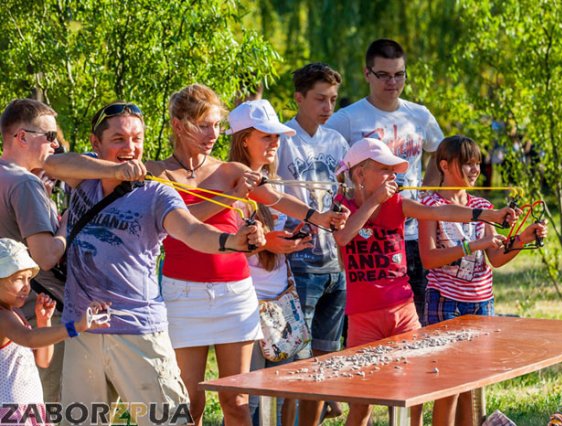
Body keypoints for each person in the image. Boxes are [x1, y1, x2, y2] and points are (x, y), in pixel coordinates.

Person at [44, 100, 265, 426]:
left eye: (137, 139)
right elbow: (52, 163)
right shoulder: (85, 178)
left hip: (138, 331)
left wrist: (231, 242)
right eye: (118, 139)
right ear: (96, 143)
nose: (130, 148)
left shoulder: (156, 193)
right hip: (84, 329)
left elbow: (191, 230)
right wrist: (114, 170)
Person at [143, 87, 346, 426]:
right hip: (182, 294)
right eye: (203, 126)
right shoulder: (158, 174)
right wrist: (229, 193)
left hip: (233, 294)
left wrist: (319, 218)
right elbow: (185, 227)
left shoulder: (230, 170)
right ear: (177, 125)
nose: (213, 135)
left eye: (217, 126)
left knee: (236, 401)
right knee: (188, 402)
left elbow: (276, 198)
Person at [332, 138, 516, 426]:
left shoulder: (399, 203)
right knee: (361, 406)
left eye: (395, 171)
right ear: (359, 174)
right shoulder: (340, 206)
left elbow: (440, 211)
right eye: (385, 170)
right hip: (362, 316)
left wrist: (487, 214)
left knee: (412, 397)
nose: (393, 177)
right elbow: (343, 237)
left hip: (403, 312)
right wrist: (374, 201)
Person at [418, 135, 547, 426]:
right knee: (447, 386)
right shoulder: (429, 204)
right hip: (445, 303)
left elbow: (496, 258)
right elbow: (429, 258)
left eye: (477, 163)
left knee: (472, 385)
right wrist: (471, 246)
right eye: (467, 163)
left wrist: (524, 237)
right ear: (445, 165)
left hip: (481, 302)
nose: (475, 170)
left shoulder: (483, 205)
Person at [326, 38, 444, 326]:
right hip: (369, 241)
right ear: (367, 74)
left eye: (399, 74)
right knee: (368, 325)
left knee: (415, 322)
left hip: (413, 235)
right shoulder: (348, 118)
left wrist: (427, 196)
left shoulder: (419, 115)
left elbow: (442, 155)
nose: (392, 82)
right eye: (383, 75)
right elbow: (331, 166)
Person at [228, 104, 314, 426]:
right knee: (246, 403)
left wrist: (288, 242)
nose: (275, 142)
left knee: (278, 395)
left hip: (279, 300)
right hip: (246, 304)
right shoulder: (227, 181)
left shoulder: (272, 182)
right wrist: (268, 243)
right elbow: (221, 245)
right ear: (243, 139)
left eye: (277, 136)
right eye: (267, 136)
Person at [276, 63, 349, 424]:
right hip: (300, 261)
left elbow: (346, 192)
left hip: (335, 261)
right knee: (293, 360)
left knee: (326, 358)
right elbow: (269, 196)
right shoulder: (283, 139)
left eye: (333, 99)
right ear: (299, 98)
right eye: (320, 99)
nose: (327, 107)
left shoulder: (336, 141)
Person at [0, 98, 67, 403]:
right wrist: (67, 224)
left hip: (7, 318)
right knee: (42, 408)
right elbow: (45, 256)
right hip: (34, 313)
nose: (55, 145)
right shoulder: (24, 183)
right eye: (49, 136)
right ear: (22, 137)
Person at [0, 238, 109, 425]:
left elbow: (43, 360)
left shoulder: (14, 312)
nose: (27, 286)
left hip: (28, 408)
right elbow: (29, 338)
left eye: (28, 278)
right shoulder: (2, 316)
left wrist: (44, 322)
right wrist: (76, 327)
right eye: (17, 279)